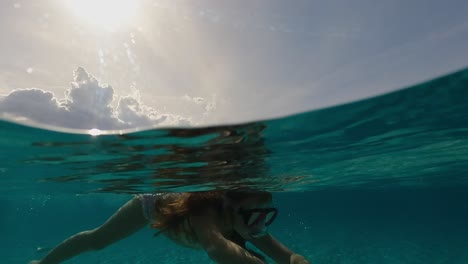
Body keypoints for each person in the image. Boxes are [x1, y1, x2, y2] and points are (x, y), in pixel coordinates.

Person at [30, 191, 310, 264]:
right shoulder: (205, 213)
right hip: (154, 205)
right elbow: (217, 249)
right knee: (97, 241)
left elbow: (287, 256)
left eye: (265, 216)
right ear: (230, 207)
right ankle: (42, 262)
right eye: (253, 216)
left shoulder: (250, 221)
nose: (259, 225)